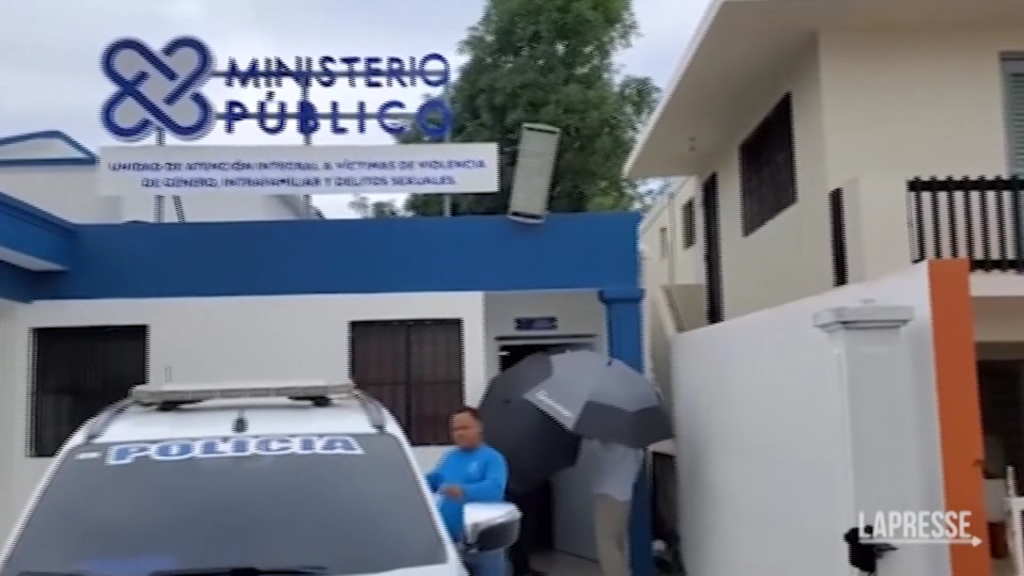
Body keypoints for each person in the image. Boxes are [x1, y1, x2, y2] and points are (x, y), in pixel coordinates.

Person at [425, 406, 509, 576]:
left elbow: (494, 489)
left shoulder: (492, 458)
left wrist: (463, 490)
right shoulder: (450, 457)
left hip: (484, 546)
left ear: (479, 427)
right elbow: (436, 479)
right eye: (455, 429)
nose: (459, 433)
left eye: (465, 428)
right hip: (451, 543)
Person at [586, 438, 644, 576]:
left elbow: (594, 449)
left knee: (607, 542)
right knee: (618, 541)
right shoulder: (633, 436)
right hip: (626, 489)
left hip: (609, 491)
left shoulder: (607, 435)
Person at [506, 483, 547, 576]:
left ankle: (522, 568)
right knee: (517, 533)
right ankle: (520, 569)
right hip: (512, 493)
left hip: (521, 491)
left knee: (523, 531)